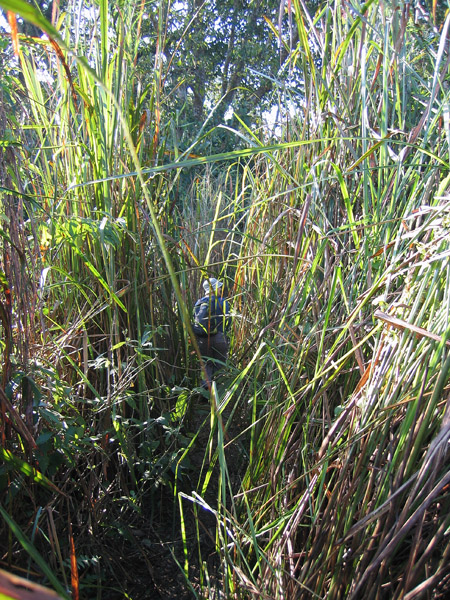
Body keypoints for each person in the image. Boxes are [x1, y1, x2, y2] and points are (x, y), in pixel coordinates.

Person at [192, 278, 231, 387]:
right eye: (219, 287)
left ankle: (206, 393)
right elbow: (227, 321)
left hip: (202, 340)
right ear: (214, 288)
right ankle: (219, 392)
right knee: (220, 365)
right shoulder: (222, 302)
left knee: (206, 365)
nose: (220, 289)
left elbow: (196, 320)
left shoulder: (199, 303)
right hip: (219, 337)